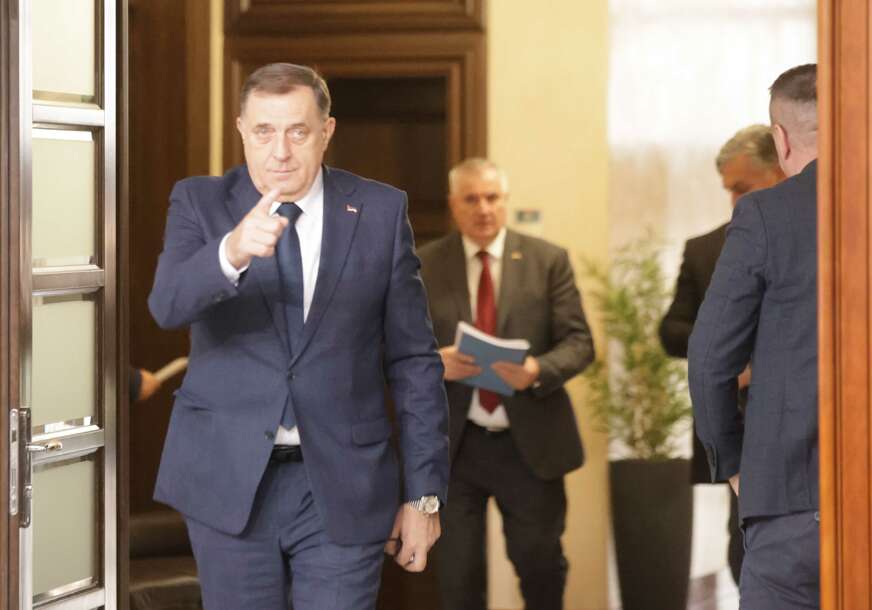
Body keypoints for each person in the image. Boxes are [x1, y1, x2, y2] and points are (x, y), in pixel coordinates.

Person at [148, 63, 449, 610]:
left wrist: (423, 496)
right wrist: (231, 251)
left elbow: (414, 362)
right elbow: (167, 305)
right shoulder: (199, 202)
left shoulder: (381, 211)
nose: (280, 152)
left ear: (326, 131)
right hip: (227, 481)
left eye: (298, 131)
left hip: (344, 483)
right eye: (264, 131)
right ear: (242, 130)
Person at [418, 158, 595, 610]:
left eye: (492, 198)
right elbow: (394, 348)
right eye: (471, 199)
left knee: (539, 567)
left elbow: (579, 343)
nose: (483, 209)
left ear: (505, 201)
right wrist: (434, 363)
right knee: (457, 578)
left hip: (528, 443)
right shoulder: (423, 264)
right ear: (453, 205)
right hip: (456, 447)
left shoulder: (546, 260)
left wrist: (537, 370)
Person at [688, 64, 819, 610]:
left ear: (781, 140)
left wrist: (734, 461)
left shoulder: (765, 214)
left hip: (790, 497)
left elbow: (709, 359)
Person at [659, 124, 785, 584]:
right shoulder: (707, 249)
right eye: (729, 190)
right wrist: (726, 352)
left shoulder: (826, 238)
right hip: (742, 425)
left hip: (810, 424)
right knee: (744, 550)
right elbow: (671, 331)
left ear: (780, 172)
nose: (734, 201)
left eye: (743, 188)